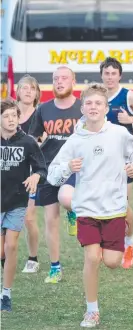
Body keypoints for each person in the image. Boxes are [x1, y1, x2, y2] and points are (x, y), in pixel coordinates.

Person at [47, 83, 133, 327]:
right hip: (87, 209)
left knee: (112, 262)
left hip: (113, 209)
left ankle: (122, 243)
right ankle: (92, 310)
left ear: (106, 108)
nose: (93, 107)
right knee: (91, 258)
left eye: (98, 103)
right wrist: (67, 168)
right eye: (89, 103)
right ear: (82, 108)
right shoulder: (75, 140)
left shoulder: (119, 134)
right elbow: (52, 175)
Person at [28, 66, 83, 284]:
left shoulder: (83, 107)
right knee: (50, 219)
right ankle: (55, 267)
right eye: (55, 79)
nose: (59, 82)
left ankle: (72, 210)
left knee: (68, 200)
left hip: (75, 168)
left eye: (64, 78)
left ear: (73, 82)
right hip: (49, 168)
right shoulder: (43, 109)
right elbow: (33, 137)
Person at [100, 56, 133, 269]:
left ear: (120, 75)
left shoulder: (128, 96)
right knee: (100, 202)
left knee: (122, 204)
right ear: (102, 75)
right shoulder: (97, 96)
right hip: (100, 160)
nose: (110, 77)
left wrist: (132, 119)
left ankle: (128, 242)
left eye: (113, 73)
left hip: (123, 159)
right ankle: (106, 244)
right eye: (106, 73)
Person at [1, 98, 46, 312]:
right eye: (6, 116)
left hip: (18, 202)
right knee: (1, 251)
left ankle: (6, 294)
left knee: (11, 247)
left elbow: (41, 168)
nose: (11, 120)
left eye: (14, 116)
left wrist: (36, 176)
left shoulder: (28, 142)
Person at [14, 75, 43, 274]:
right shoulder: (7, 112)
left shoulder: (39, 115)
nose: (27, 91)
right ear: (17, 91)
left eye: (32, 88)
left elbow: (44, 143)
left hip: (30, 173)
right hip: (8, 170)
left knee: (29, 218)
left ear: (36, 93)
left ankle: (33, 258)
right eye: (24, 87)